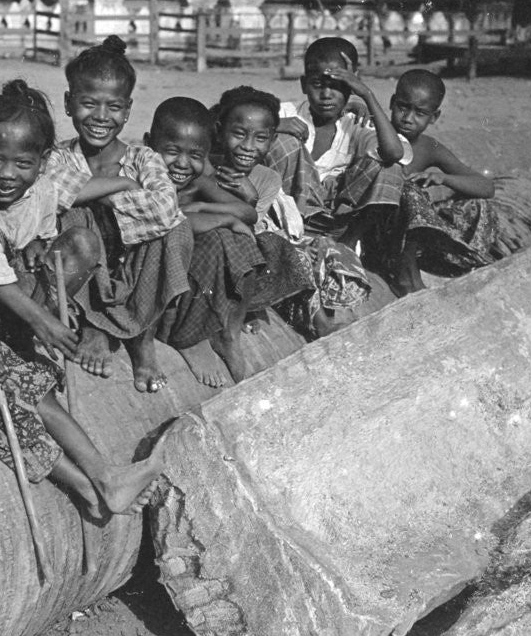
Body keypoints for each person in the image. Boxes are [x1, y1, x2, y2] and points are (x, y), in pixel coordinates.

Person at [0, 82, 164, 516]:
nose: (7, 174)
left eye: (22, 164)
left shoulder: (39, 189)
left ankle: (104, 481)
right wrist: (43, 322)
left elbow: (67, 196)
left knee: (82, 243)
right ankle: (100, 483)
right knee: (27, 395)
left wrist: (123, 183)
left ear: (41, 164)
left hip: (8, 311)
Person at [45, 35, 194, 393]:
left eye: (113, 107)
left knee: (177, 229)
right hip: (87, 277)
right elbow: (57, 192)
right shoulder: (59, 156)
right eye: (88, 104)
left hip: (134, 272)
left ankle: (142, 333)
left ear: (127, 110)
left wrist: (100, 193)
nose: (100, 117)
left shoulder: (143, 159)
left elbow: (163, 209)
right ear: (68, 103)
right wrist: (123, 186)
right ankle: (94, 326)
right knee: (75, 219)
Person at [147, 95, 311, 386]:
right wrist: (218, 217)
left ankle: (229, 332)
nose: (183, 164)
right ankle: (186, 338)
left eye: (195, 156)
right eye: (172, 152)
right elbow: (168, 221)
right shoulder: (143, 179)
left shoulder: (198, 183)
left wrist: (203, 208)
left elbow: (246, 212)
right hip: (153, 283)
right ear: (150, 144)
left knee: (245, 240)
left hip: (192, 280)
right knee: (217, 237)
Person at [266, 36, 410, 248]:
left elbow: (394, 153)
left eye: (337, 86)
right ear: (304, 84)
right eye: (317, 85)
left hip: (337, 222)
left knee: (389, 167)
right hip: (284, 216)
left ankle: (348, 245)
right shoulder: (286, 112)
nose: (326, 94)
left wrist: (367, 95)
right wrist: (271, 125)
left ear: (352, 85)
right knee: (282, 141)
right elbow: (228, 123)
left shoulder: (357, 125)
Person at [368, 69, 499, 295]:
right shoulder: (374, 132)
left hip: (410, 235)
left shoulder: (429, 147)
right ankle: (405, 277)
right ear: (391, 103)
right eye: (402, 107)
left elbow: (486, 187)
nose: (408, 118)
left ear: (434, 117)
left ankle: (447, 263)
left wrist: (444, 178)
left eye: (419, 113)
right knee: (407, 192)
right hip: (375, 226)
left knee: (478, 205)